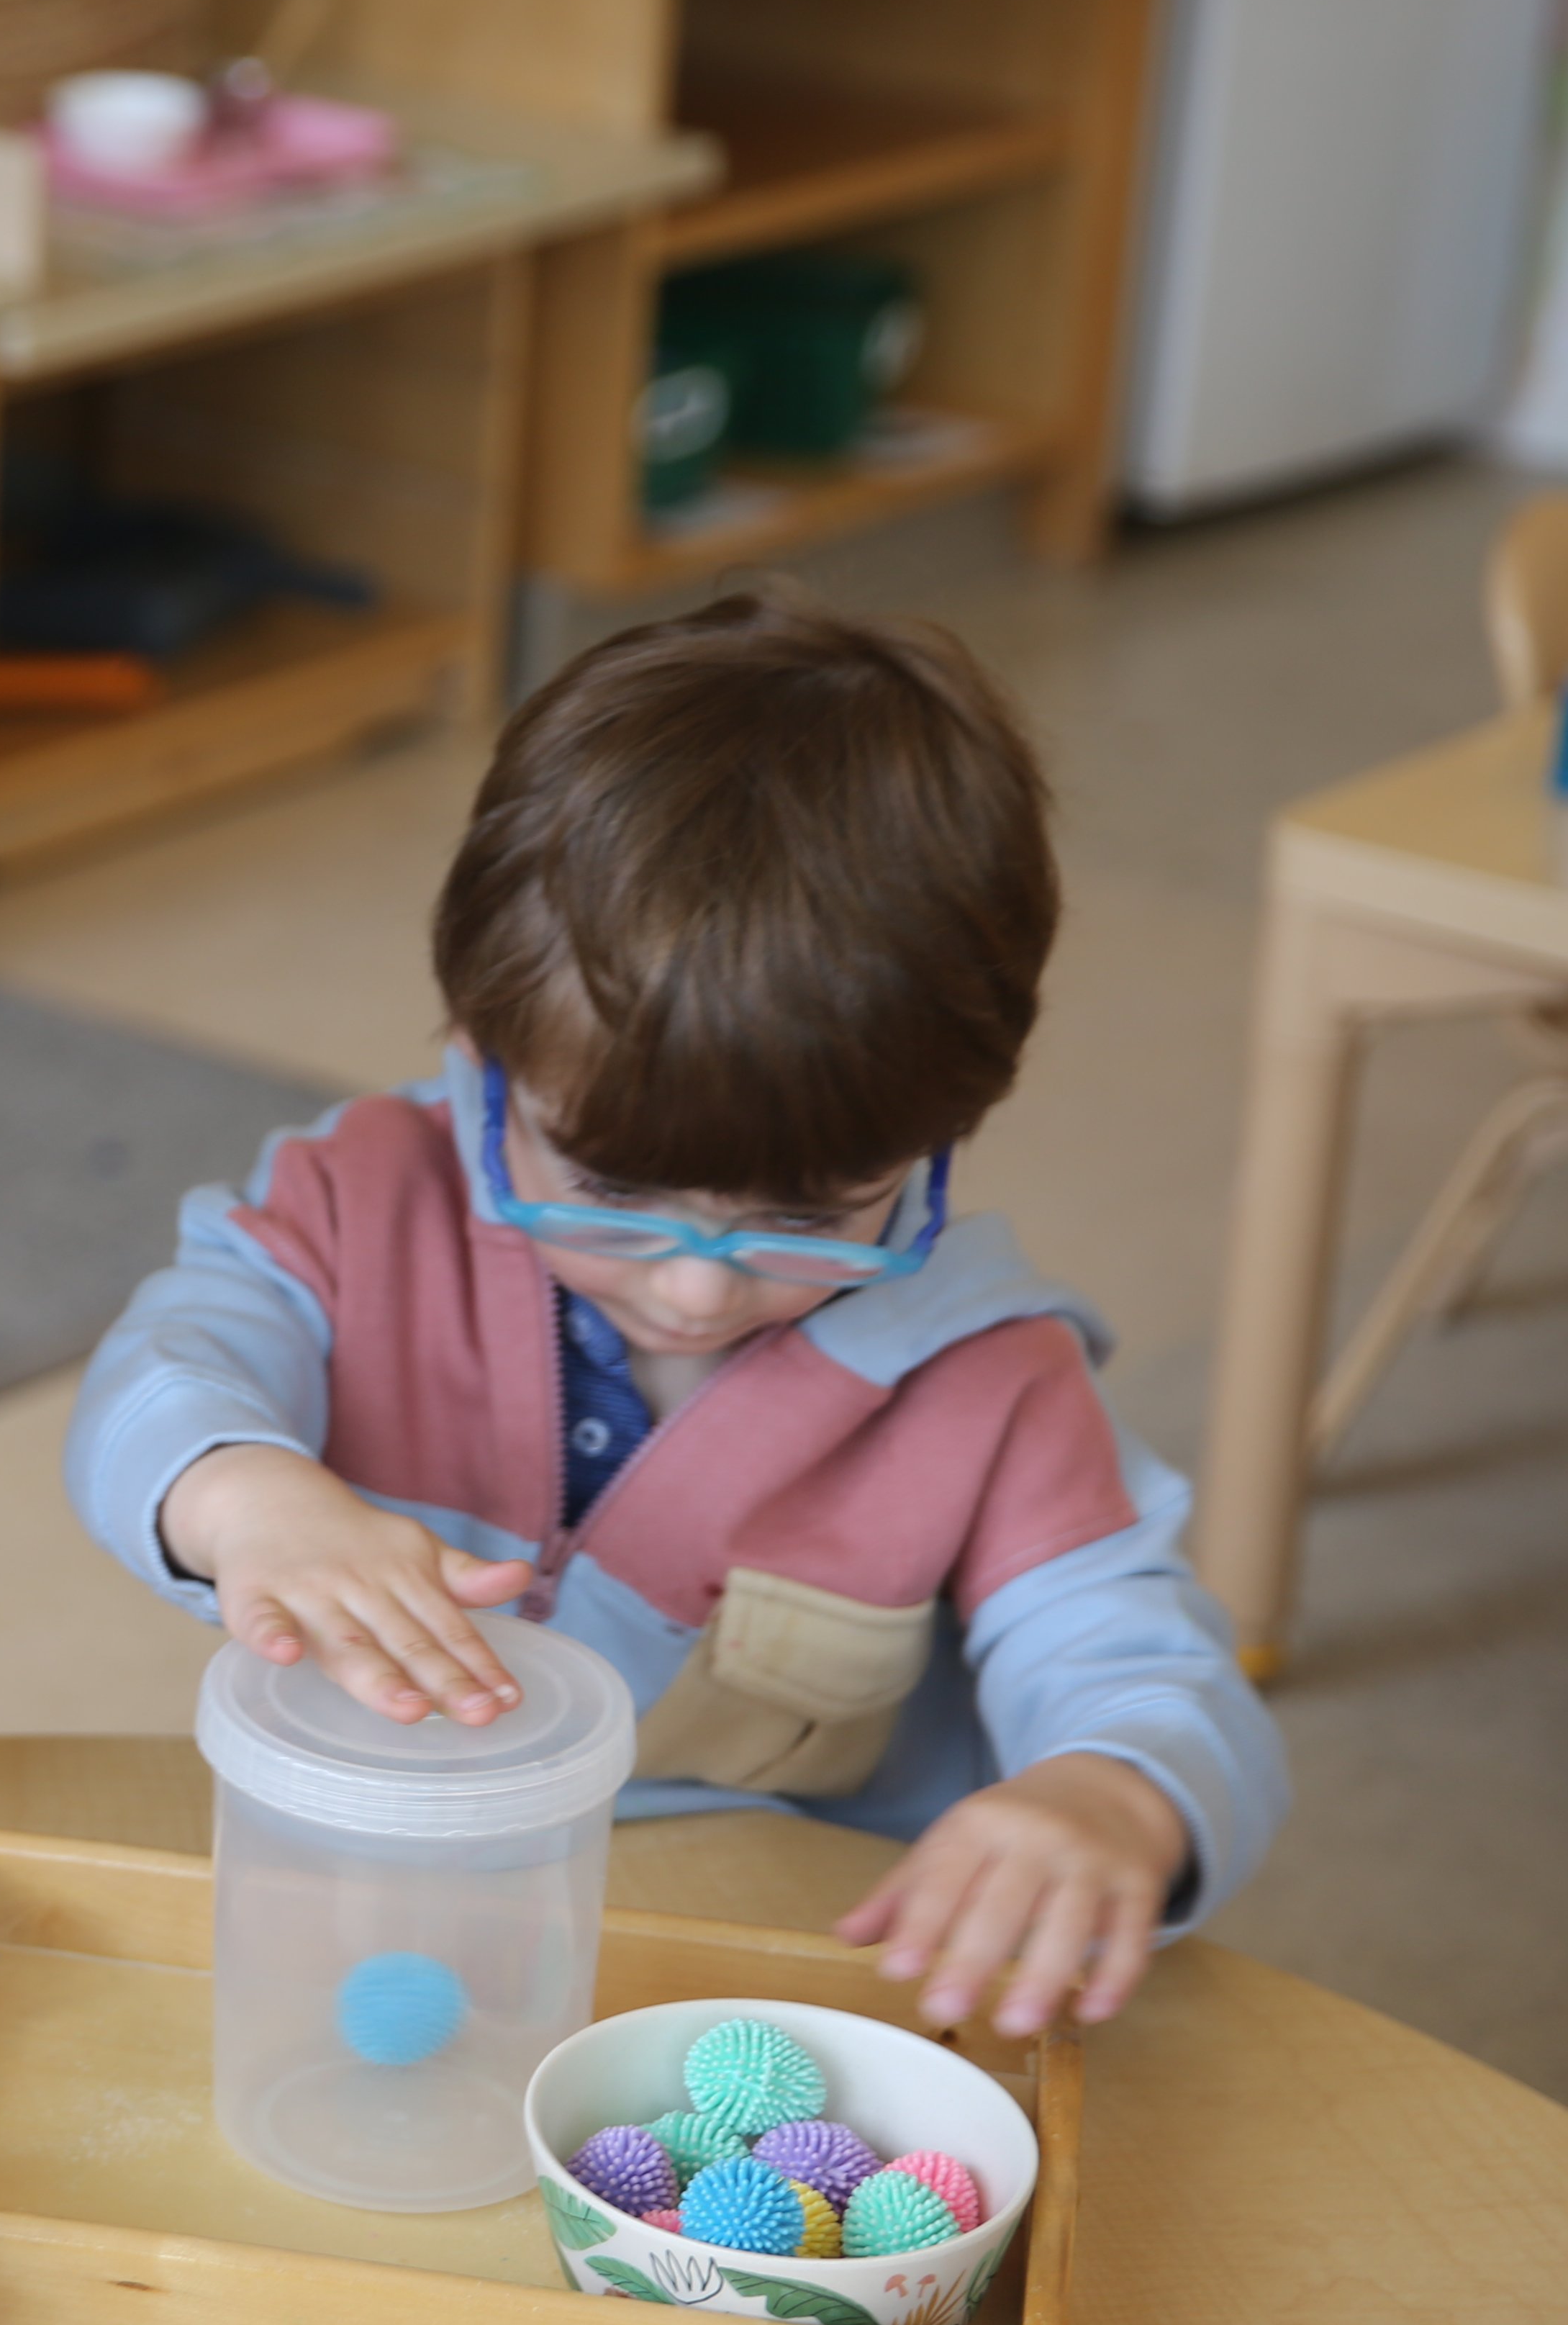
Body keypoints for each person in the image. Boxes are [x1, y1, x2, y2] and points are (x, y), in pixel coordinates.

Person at [65, 589, 1290, 2039]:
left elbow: (1137, 1657)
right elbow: (167, 1368)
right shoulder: (355, 1206)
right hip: (396, 1909)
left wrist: (1113, 1792)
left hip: (781, 1982)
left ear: (951, 1128)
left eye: (814, 1215)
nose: (696, 1285)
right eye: (605, 1188)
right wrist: (245, 1495)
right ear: (483, 1061)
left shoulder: (988, 1375)